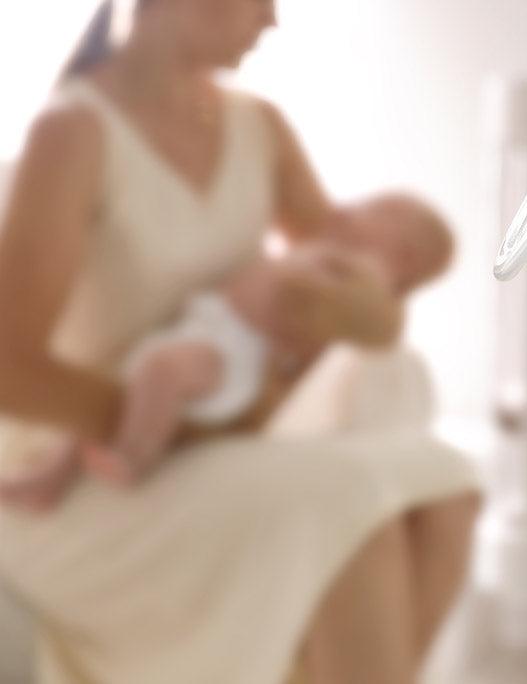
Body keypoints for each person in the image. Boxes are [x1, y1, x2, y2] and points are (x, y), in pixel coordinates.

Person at [0, 2, 480, 683]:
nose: (272, 23)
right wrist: (176, 423)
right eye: (260, 1)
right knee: (350, 510)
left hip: (213, 426)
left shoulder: (260, 128)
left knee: (449, 491)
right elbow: (12, 374)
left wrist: (369, 295)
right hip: (86, 467)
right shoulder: (73, 135)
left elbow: (354, 282)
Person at [1, 193, 454, 498]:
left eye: (379, 211)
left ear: (404, 259)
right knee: (110, 387)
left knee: (161, 370)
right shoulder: (332, 251)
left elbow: (336, 317)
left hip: (238, 357)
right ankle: (50, 480)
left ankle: (134, 458)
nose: (356, 208)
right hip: (208, 331)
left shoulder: (365, 273)